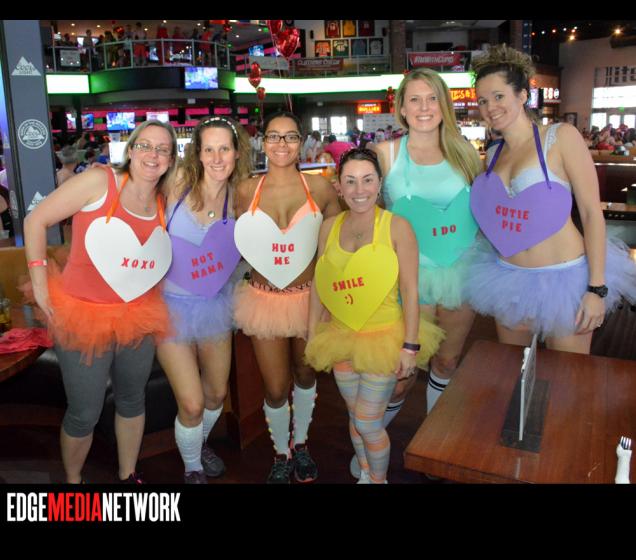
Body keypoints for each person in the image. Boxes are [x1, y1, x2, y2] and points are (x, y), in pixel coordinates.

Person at [23, 120, 178, 484]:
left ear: (171, 160)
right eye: (145, 145)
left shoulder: (164, 201)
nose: (152, 155)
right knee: (84, 412)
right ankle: (74, 482)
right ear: (131, 150)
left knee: (132, 399)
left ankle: (128, 475)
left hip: (138, 315)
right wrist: (40, 283)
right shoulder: (99, 181)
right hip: (82, 315)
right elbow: (35, 220)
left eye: (162, 149)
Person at [467, 44, 636, 354]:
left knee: (567, 376)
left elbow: (591, 212)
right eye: (482, 100)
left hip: (565, 280)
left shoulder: (560, 137)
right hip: (507, 280)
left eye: (499, 96)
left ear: (522, 95)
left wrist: (596, 288)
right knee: (514, 370)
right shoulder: (492, 155)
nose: (490, 107)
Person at [360, 67, 482, 480]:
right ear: (401, 107)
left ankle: (435, 447)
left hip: (462, 274)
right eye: (415, 99)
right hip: (408, 280)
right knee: (400, 377)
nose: (424, 107)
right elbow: (364, 211)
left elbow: (482, 212)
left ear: (444, 105)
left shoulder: (466, 153)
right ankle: (367, 448)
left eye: (432, 98)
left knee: (447, 363)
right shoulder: (385, 154)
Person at [305, 148, 444, 484]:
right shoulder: (328, 227)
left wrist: (410, 345)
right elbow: (321, 284)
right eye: (350, 181)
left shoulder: (397, 227)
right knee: (356, 415)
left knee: (368, 421)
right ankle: (366, 474)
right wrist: (312, 334)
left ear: (380, 183)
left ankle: (378, 479)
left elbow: (411, 290)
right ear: (338, 186)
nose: (359, 190)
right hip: (340, 336)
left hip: (384, 339)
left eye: (367, 180)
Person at [233, 111, 340, 483]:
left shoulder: (320, 188)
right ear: (263, 142)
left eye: (290, 136)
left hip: (309, 298)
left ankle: (301, 443)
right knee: (276, 387)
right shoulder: (245, 190)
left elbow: (337, 241)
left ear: (301, 142)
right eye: (274, 136)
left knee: (306, 372)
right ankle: (281, 450)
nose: (282, 144)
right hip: (262, 300)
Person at [157, 117, 251, 484]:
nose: (216, 158)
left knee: (216, 393)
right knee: (192, 402)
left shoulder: (238, 197)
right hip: (168, 306)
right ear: (197, 153)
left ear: (237, 153)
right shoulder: (177, 182)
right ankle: (192, 467)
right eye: (208, 149)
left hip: (215, 303)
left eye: (224, 148)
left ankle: (198, 444)